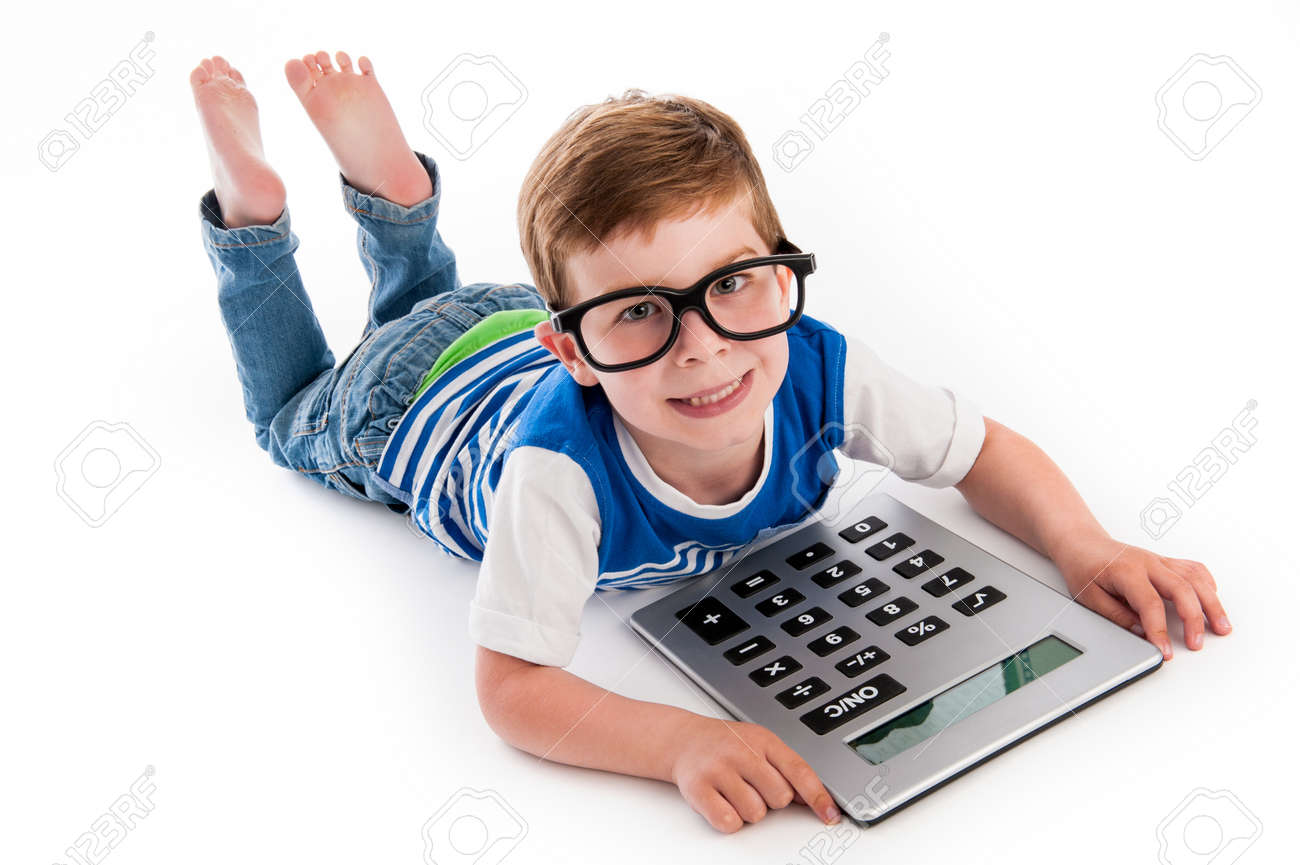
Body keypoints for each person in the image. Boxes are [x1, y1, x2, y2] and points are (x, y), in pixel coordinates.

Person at [190, 50, 1232, 834]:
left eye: (731, 285)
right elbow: (511, 690)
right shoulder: (558, 476)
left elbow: (981, 452)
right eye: (646, 312)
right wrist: (680, 741)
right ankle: (257, 218)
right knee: (287, 416)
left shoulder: (819, 362)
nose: (701, 351)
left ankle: (402, 208)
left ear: (778, 273)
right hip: (406, 401)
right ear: (581, 352)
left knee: (437, 300)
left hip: (510, 318)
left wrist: (1085, 546)